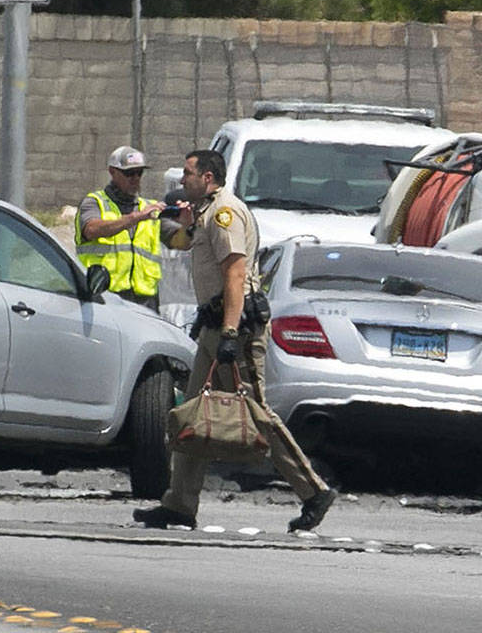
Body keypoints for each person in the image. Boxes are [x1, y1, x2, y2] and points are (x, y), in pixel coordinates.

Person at [133, 149, 337, 533]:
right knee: (193, 413)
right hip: (215, 326)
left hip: (237, 331)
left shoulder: (226, 213)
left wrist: (229, 333)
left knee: (258, 414)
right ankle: (179, 504)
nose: (183, 181)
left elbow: (235, 274)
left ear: (208, 177)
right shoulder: (208, 213)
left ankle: (313, 491)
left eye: (190, 174)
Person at [75, 145, 165, 310]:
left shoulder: (149, 207)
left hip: (145, 300)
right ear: (112, 172)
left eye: (140, 173)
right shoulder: (95, 202)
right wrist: (134, 218)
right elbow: (91, 229)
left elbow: (179, 241)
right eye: (129, 173)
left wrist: (186, 223)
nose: (135, 178)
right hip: (105, 296)